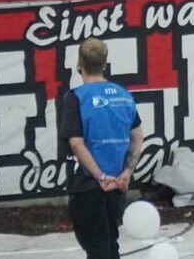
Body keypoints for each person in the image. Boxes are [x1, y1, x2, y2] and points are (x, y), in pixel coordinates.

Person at [58, 38, 142, 259]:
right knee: (110, 243)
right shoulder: (123, 95)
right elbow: (137, 137)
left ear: (79, 63)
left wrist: (100, 176)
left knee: (97, 248)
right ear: (105, 63)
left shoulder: (76, 98)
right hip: (117, 184)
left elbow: (76, 143)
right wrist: (127, 172)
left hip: (89, 185)